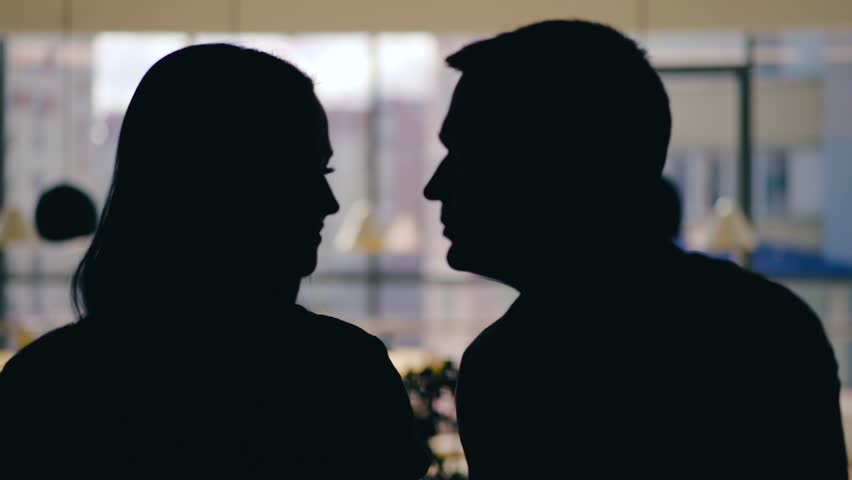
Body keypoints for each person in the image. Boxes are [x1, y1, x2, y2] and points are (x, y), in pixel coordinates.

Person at [424, 20, 846, 478]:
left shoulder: (504, 369)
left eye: (465, 152)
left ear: (558, 164)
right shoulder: (765, 333)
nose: (435, 186)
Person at [0, 44, 429, 478]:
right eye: (305, 171)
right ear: (227, 182)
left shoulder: (46, 387)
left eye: (325, 172)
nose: (329, 202)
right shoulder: (342, 379)